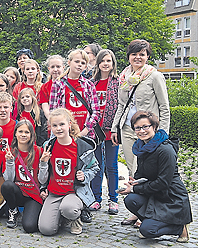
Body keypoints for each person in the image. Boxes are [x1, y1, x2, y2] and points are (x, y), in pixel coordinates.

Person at [119, 111, 191, 243]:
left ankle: (179, 228)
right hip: (154, 193)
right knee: (130, 200)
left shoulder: (166, 150)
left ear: (154, 126)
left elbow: (163, 183)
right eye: (138, 128)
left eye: (145, 126)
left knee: (147, 231)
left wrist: (136, 189)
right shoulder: (142, 147)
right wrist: (134, 183)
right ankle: (151, 221)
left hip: (171, 197)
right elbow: (141, 173)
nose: (142, 131)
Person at [111, 39, 170, 178]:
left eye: (142, 54)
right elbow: (121, 105)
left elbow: (164, 107)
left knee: (146, 167)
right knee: (132, 167)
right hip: (127, 128)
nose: (137, 57)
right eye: (134, 54)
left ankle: (147, 196)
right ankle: (135, 196)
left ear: (147, 57)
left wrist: (163, 132)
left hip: (148, 130)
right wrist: (115, 128)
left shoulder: (154, 76)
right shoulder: (123, 78)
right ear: (129, 56)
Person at [38, 108, 99, 236]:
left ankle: (75, 217)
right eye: (54, 125)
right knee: (46, 229)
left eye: (62, 124)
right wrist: (43, 163)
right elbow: (42, 179)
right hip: (54, 193)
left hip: (74, 192)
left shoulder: (82, 147)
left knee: (69, 209)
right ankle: (61, 218)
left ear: (69, 124)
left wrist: (85, 176)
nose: (58, 128)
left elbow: (94, 168)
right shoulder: (49, 146)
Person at [87, 49, 121, 214]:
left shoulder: (117, 82)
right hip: (94, 130)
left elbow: (121, 105)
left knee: (112, 165)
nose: (105, 64)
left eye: (109, 61)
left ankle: (113, 200)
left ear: (113, 63)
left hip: (111, 130)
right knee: (96, 165)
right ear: (98, 63)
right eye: (103, 61)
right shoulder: (91, 82)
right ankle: (96, 198)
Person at [49, 49, 100, 140]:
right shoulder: (58, 84)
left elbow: (95, 111)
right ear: (69, 62)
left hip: (85, 133)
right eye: (76, 61)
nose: (79, 64)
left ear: (85, 67)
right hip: (64, 134)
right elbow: (53, 112)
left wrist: (86, 130)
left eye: (83, 63)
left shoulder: (89, 85)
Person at [1, 120, 43, 233]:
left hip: (33, 195)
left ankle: (32, 212)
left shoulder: (38, 151)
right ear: (15, 133)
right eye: (20, 131)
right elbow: (8, 179)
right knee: (7, 185)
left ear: (31, 135)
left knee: (29, 227)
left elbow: (43, 179)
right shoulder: (11, 152)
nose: (23, 135)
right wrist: (9, 162)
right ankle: (13, 211)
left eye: (26, 132)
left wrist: (43, 164)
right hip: (18, 192)